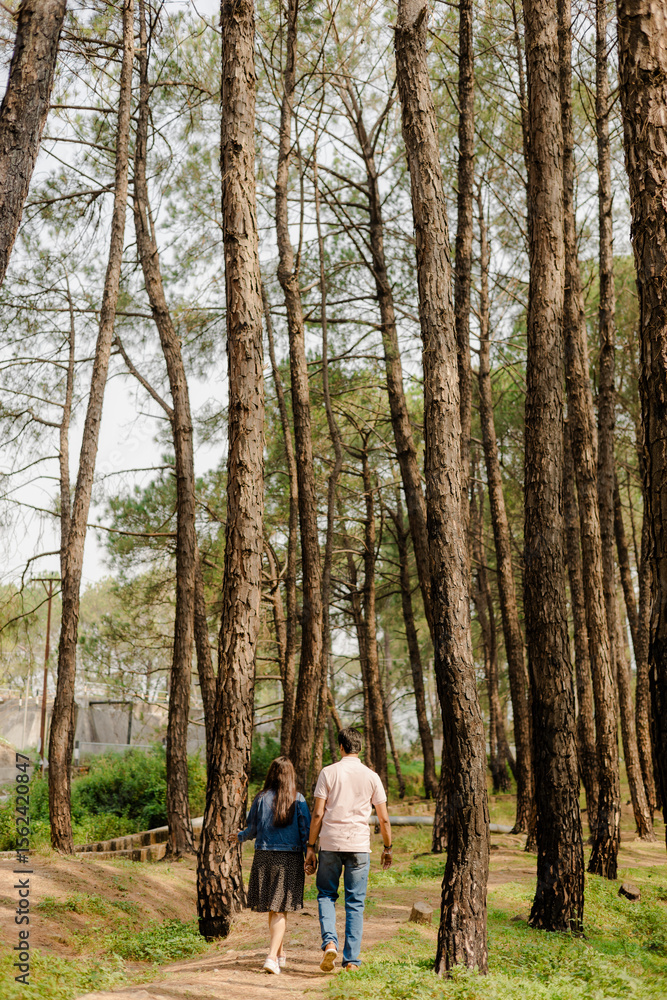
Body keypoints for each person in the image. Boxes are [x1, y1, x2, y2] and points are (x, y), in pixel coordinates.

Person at [305, 727, 392, 973]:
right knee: (355, 903)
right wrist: (388, 847)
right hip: (359, 847)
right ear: (360, 748)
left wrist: (311, 847)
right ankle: (352, 961)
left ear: (341, 747)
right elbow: (384, 819)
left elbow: (318, 813)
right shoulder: (372, 777)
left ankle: (330, 942)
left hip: (330, 844)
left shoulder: (328, 772)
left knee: (325, 895)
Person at [231, 756, 311, 975]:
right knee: (279, 909)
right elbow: (306, 832)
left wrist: (239, 837)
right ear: (291, 775)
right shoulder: (299, 799)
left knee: (275, 908)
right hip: (289, 858)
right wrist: (310, 856)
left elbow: (252, 830)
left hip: (264, 857)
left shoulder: (261, 798)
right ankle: (270, 958)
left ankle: (280, 953)